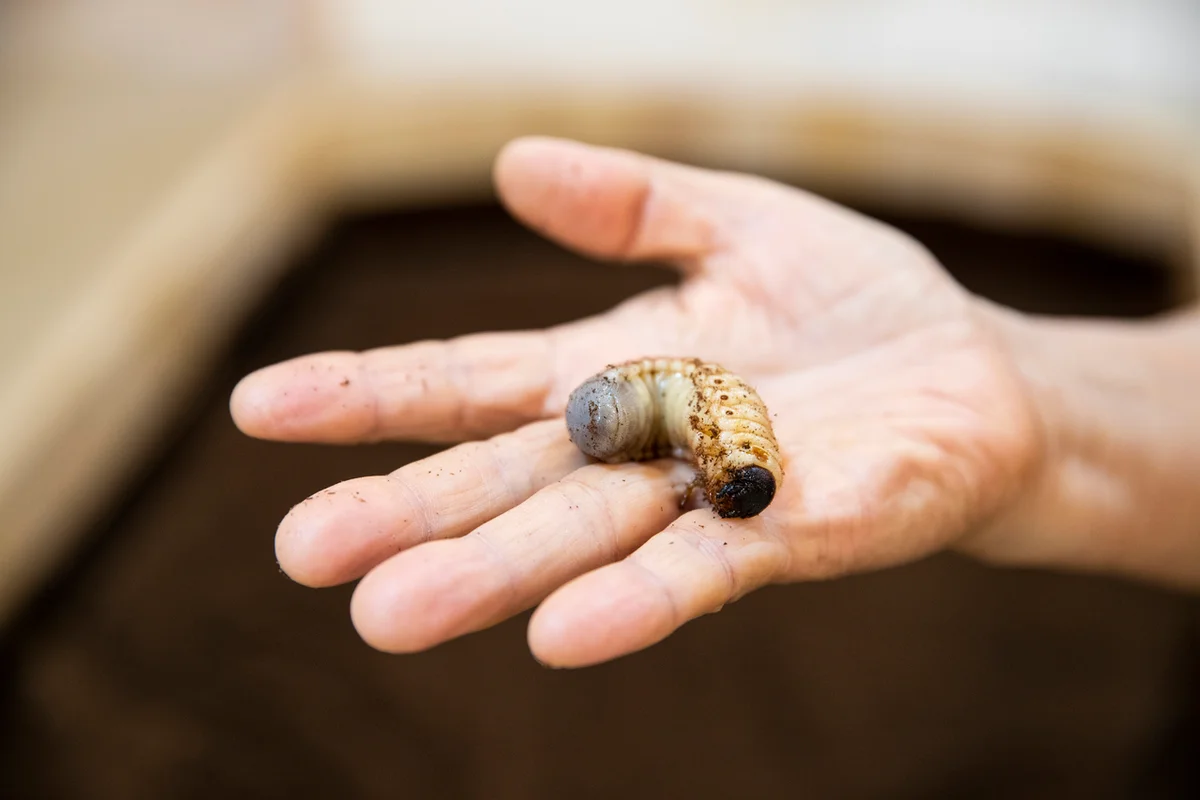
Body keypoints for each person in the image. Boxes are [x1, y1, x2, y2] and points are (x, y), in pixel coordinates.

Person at [230, 137, 1200, 668]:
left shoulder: (721, 426)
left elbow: (719, 416)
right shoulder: (695, 413)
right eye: (737, 469)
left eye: (734, 470)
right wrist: (1037, 394)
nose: (731, 472)